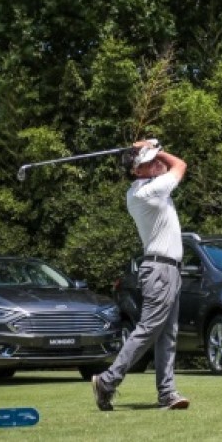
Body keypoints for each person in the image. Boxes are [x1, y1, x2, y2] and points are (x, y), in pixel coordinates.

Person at [91, 140, 189, 411]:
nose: (157, 163)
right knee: (148, 329)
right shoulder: (149, 192)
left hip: (168, 269)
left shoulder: (140, 189)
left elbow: (165, 166)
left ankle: (167, 393)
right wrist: (158, 149)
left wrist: (149, 146)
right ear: (138, 171)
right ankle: (107, 381)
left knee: (167, 334)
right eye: (150, 162)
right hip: (160, 270)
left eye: (155, 160)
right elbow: (180, 165)